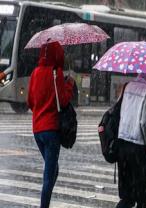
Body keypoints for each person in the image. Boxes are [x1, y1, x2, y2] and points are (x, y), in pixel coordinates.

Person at [27, 41, 74, 208]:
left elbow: (30, 102)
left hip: (37, 130)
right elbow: (63, 100)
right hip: (52, 130)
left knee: (53, 170)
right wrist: (69, 85)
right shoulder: (56, 72)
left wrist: (41, 109)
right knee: (49, 175)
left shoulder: (35, 73)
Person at [115, 73, 146, 208]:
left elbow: (121, 113)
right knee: (141, 197)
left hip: (122, 145)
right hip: (139, 149)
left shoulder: (128, 86)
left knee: (126, 197)